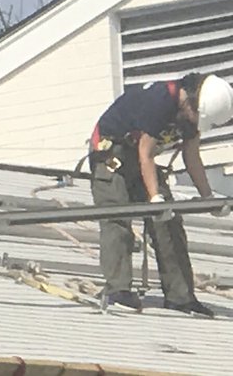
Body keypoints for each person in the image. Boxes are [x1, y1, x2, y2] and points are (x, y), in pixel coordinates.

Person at [88, 71, 233, 315]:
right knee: (117, 217)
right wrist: (155, 198)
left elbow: (191, 155)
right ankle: (118, 289)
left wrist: (208, 197)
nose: (196, 124)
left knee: (170, 222)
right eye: (197, 117)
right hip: (111, 155)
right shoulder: (160, 99)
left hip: (141, 159)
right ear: (191, 102)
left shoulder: (190, 115)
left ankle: (180, 296)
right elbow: (145, 152)